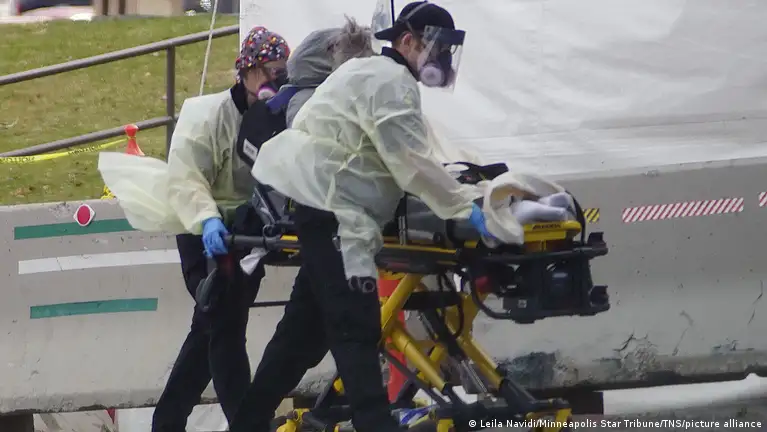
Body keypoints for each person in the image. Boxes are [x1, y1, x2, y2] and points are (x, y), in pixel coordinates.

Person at [229, 3, 493, 432]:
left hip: (325, 213)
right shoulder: (389, 82)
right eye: (438, 48)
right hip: (339, 219)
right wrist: (464, 205)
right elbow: (411, 162)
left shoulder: (366, 73)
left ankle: (247, 424)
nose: (443, 59)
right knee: (356, 326)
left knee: (300, 338)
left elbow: (397, 153)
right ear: (406, 41)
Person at [150, 26, 291, 432]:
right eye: (270, 71)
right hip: (203, 232)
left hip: (247, 235)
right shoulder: (205, 115)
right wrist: (208, 219)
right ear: (246, 71)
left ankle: (167, 422)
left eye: (282, 72)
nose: (275, 80)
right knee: (224, 329)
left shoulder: (278, 119)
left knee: (212, 329)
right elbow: (186, 176)